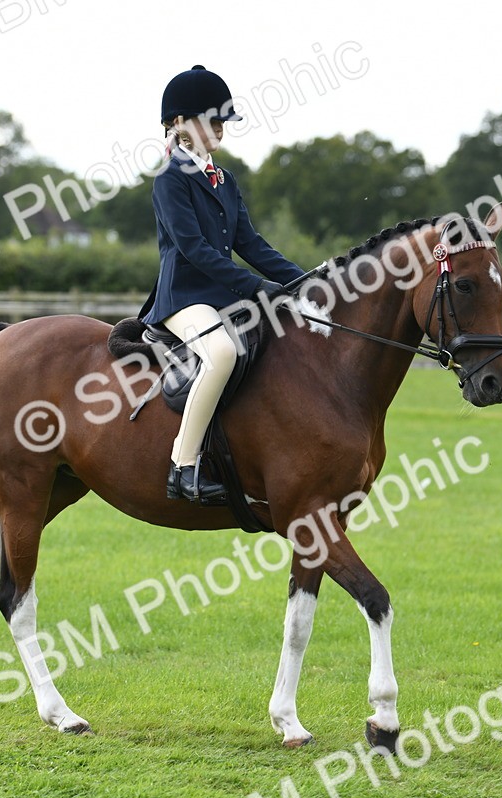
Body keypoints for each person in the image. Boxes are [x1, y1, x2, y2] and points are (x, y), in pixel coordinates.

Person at [140, 65, 307, 503]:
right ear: (179, 123)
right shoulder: (169, 178)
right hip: (183, 299)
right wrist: (257, 288)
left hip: (221, 297)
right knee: (221, 352)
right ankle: (183, 467)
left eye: (222, 120)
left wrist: (304, 280)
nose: (219, 128)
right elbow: (194, 249)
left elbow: (251, 243)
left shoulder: (225, 180)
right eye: (210, 119)